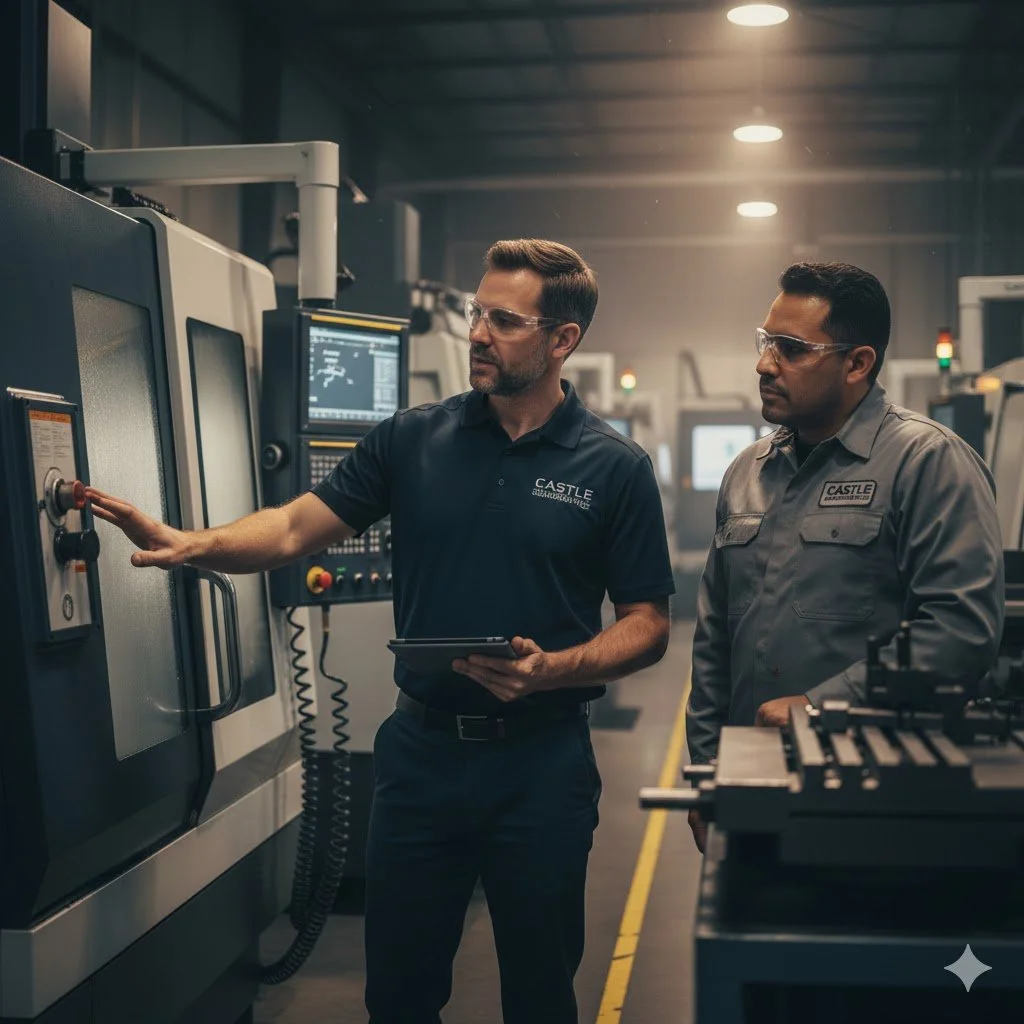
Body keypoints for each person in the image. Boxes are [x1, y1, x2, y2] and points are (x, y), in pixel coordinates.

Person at [87, 238, 675, 1023]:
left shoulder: (614, 467)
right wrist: (193, 544)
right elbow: (293, 528)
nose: (478, 334)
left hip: (541, 764)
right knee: (399, 994)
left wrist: (554, 668)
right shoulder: (412, 439)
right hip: (421, 761)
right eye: (478, 314)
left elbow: (648, 624)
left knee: (539, 991)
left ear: (562, 339)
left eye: (504, 321)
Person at [686, 261, 1004, 854]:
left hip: (875, 799)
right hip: (751, 785)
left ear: (857, 363)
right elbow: (712, 646)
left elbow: (961, 628)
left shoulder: (927, 463)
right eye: (765, 342)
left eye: (791, 349)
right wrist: (707, 772)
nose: (764, 364)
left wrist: (820, 706)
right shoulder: (747, 473)